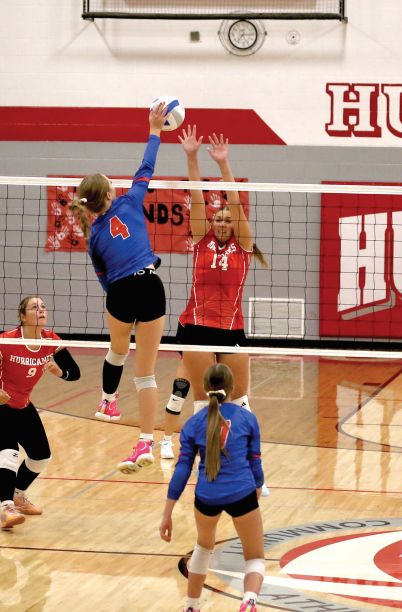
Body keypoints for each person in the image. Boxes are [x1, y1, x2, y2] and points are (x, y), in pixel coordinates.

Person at [158, 127, 267, 482]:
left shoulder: (244, 246)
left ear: (233, 224)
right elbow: (196, 197)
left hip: (231, 329)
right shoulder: (202, 241)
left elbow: (234, 202)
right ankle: (196, 456)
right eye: (216, 219)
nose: (221, 223)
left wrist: (223, 164)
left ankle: (251, 464)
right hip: (196, 326)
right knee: (199, 398)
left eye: (226, 220)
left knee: (238, 400)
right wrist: (191, 156)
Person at [69, 102, 168, 474]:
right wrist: (155, 129)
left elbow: (102, 278)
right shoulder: (130, 202)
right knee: (146, 374)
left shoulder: (93, 236)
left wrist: (116, 299)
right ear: (109, 194)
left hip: (121, 292)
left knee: (117, 350)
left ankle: (107, 400)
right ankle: (145, 441)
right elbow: (146, 168)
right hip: (150, 286)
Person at [0, 296, 80, 529]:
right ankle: (7, 509)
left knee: (41, 456)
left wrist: (60, 373)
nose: (40, 310)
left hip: (20, 405)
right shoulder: (8, 341)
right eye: (34, 307)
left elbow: (74, 373)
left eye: (43, 307)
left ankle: (18, 495)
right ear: (22, 316)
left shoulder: (50, 340)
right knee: (9, 452)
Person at [160, 363, 264, 612]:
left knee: (203, 547)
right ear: (232, 388)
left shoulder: (194, 423)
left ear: (205, 388)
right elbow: (256, 462)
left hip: (207, 496)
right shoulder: (247, 419)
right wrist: (256, 490)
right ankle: (249, 601)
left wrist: (167, 513)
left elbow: (182, 470)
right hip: (242, 492)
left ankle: (191, 606)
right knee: (255, 556)